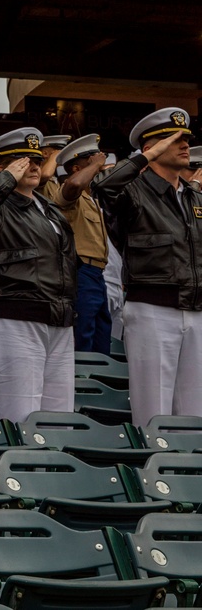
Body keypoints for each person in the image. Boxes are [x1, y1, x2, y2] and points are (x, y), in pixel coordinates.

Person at [0, 128, 78, 424]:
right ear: (3, 168)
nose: (34, 165)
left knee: (58, 420)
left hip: (57, 319)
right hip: (13, 316)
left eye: (37, 160)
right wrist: (6, 179)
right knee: (17, 418)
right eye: (23, 160)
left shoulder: (47, 208)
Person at [93, 108, 202, 425]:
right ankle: (154, 471)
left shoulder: (193, 197)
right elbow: (103, 187)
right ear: (151, 147)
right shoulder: (132, 191)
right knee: (153, 410)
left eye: (187, 139)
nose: (185, 146)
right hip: (153, 307)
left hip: (196, 308)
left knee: (195, 415)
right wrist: (144, 157)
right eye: (175, 139)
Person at [51, 134, 111, 354]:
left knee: (101, 338)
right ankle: (79, 386)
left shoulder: (92, 198)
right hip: (81, 271)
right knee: (82, 338)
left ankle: (98, 383)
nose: (100, 164)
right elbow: (74, 184)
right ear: (77, 167)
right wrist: (96, 166)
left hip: (97, 274)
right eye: (92, 161)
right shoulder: (70, 190)